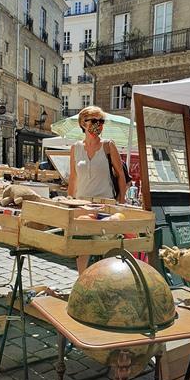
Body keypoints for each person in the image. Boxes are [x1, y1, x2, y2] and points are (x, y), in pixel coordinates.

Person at [68, 106, 127, 274]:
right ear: (83, 123)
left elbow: (120, 175)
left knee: (104, 248)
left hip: (104, 204)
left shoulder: (108, 146)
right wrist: (69, 201)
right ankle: (82, 281)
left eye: (101, 121)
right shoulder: (75, 148)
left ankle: (103, 282)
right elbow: (73, 177)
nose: (98, 125)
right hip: (83, 204)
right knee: (82, 247)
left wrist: (121, 202)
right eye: (94, 121)